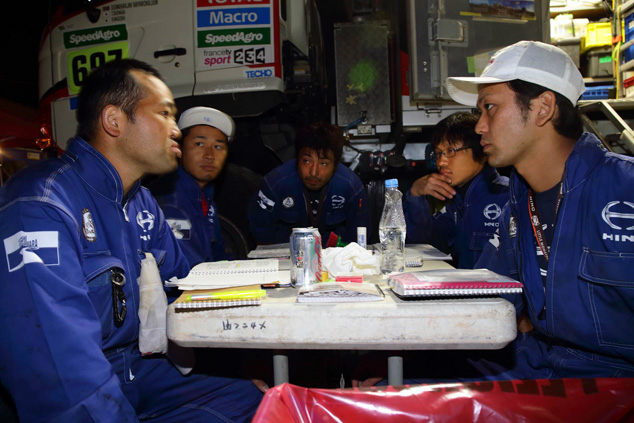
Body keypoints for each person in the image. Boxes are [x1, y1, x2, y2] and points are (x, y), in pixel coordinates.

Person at [0, 59, 262, 422]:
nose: (176, 130)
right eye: (165, 114)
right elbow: (57, 372)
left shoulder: (140, 202)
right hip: (86, 385)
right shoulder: (41, 203)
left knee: (255, 397)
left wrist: (261, 313)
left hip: (135, 369)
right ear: (114, 120)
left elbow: (186, 285)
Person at [445, 40, 634, 378]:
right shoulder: (517, 206)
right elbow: (488, 300)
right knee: (391, 387)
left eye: (490, 108)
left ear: (543, 108)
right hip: (543, 365)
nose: (479, 126)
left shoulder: (625, 189)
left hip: (613, 386)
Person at [403, 112, 509, 268]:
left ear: (481, 152)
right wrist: (415, 196)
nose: (441, 162)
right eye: (438, 153)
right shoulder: (455, 201)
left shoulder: (506, 197)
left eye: (451, 151)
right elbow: (423, 243)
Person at [248, 121, 370, 246]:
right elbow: (261, 237)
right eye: (307, 161)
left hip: (335, 259)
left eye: (323, 163)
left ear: (335, 165)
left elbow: (359, 240)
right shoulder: (274, 184)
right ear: (297, 158)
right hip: (287, 258)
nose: (313, 172)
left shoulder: (351, 186)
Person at [149, 106, 233, 267]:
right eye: (199, 143)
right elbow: (185, 271)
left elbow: (217, 254)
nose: (209, 155)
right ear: (179, 148)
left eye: (218, 146)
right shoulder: (170, 201)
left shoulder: (204, 195)